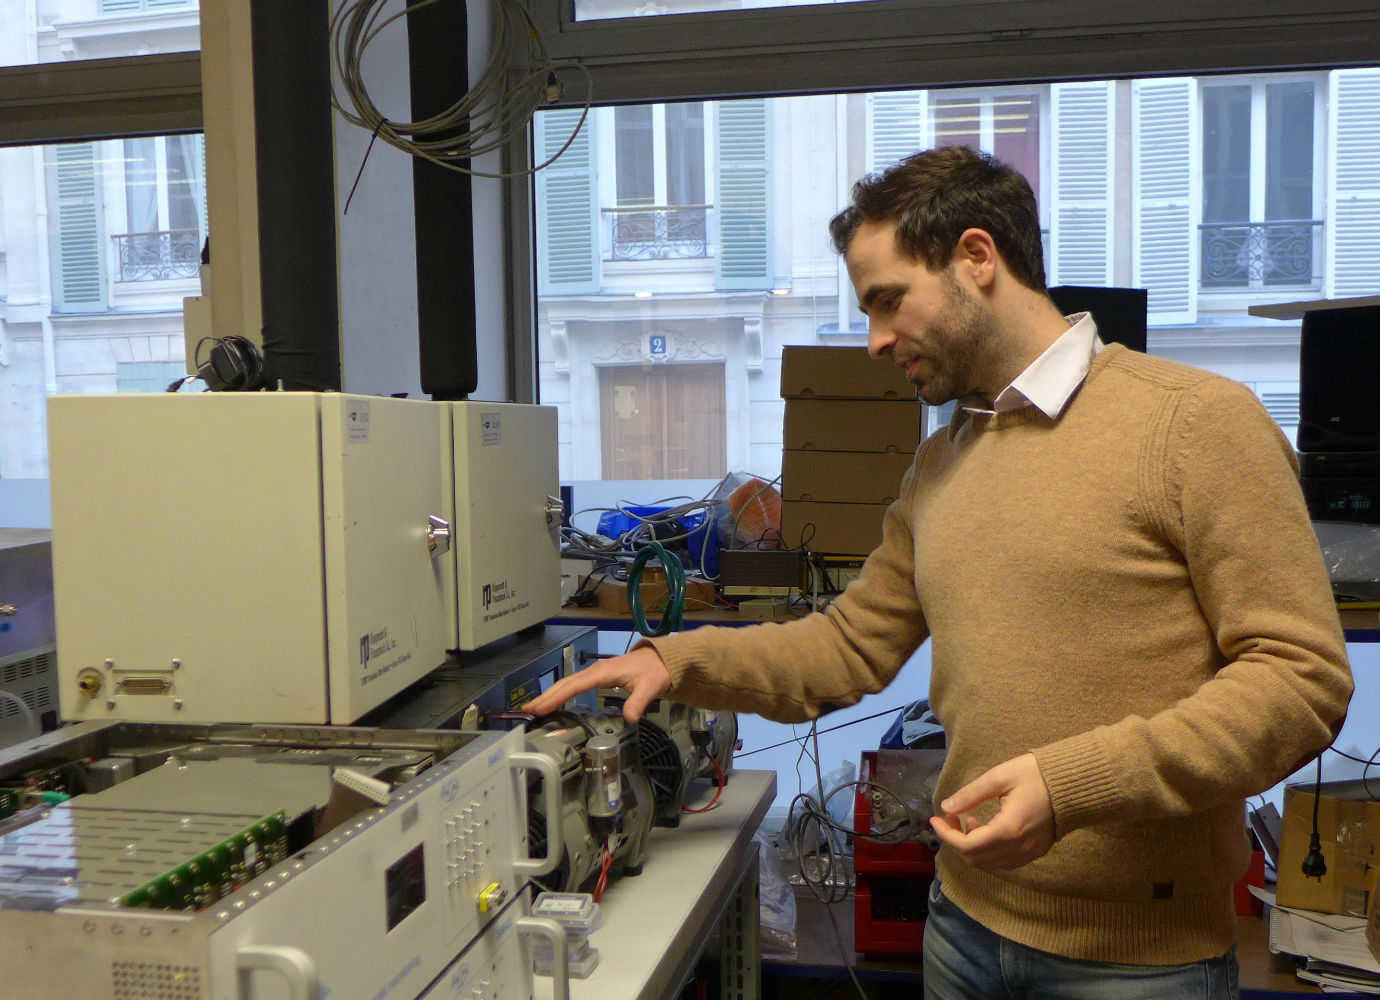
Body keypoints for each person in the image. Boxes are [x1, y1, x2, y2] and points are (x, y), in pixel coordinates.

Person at [525, 145, 1354, 997]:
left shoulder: (1196, 425)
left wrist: (1070, 787)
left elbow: (1301, 682)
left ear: (976, 258)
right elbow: (847, 649)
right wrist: (676, 661)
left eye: (888, 302)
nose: (876, 341)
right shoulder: (941, 465)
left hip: (1139, 961)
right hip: (962, 929)